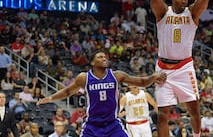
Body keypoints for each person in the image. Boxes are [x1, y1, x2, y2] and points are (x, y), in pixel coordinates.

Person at [150, 0, 210, 137]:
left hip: (184, 67)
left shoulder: (191, 13)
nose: (184, 0)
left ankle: (197, 136)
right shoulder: (162, 12)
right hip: (163, 68)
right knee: (162, 115)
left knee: (194, 109)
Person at [37, 51, 166, 137]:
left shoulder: (117, 75)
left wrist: (154, 76)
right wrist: (50, 98)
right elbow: (67, 91)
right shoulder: (84, 78)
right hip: (92, 125)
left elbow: (142, 82)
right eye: (100, 57)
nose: (104, 58)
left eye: (105, 57)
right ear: (92, 63)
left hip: (112, 124)